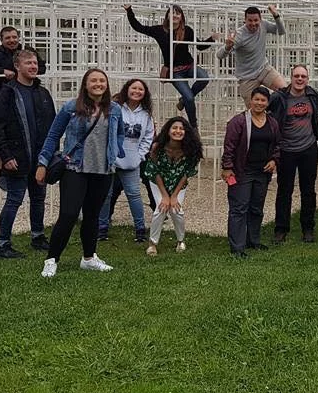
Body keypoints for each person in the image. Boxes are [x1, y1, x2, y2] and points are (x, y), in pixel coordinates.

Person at [36, 68, 124, 278]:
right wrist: (42, 162)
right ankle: (51, 259)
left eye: (102, 81)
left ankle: (89, 258)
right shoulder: (71, 107)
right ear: (85, 84)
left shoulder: (114, 109)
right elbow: (53, 135)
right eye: (93, 80)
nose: (98, 84)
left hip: (103, 170)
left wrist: (116, 150)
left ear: (106, 85)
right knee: (68, 215)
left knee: (92, 216)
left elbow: (120, 133)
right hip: (75, 168)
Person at [0, 48, 56, 258]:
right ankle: (3, 244)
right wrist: (5, 155)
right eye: (28, 63)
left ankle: (38, 236)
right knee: (15, 199)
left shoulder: (43, 93)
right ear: (17, 66)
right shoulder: (7, 93)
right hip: (17, 157)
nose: (33, 66)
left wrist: (50, 155)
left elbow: (52, 126)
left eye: (35, 63)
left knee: (38, 198)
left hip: (39, 158)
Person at [124, 4, 216, 129]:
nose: (175, 15)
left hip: (189, 66)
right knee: (189, 98)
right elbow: (139, 27)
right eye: (172, 12)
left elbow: (199, 46)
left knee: (204, 78)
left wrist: (211, 39)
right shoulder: (160, 30)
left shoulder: (187, 30)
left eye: (178, 13)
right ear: (167, 15)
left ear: (181, 17)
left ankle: (182, 101)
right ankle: (194, 126)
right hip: (175, 71)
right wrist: (129, 11)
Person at [222, 88, 281, 258]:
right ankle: (237, 247)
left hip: (262, 172)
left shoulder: (272, 123)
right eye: (257, 99)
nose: (259, 103)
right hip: (242, 172)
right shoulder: (238, 121)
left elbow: (278, 144)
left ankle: (253, 240)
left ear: (267, 103)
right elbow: (229, 147)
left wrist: (274, 160)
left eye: (263, 100)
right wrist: (227, 167)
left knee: (256, 208)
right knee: (239, 208)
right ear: (250, 101)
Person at [268, 65, 318, 243]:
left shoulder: (313, 96)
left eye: (303, 76)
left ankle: (308, 228)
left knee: (308, 190)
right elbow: (265, 113)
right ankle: (281, 229)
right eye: (297, 76)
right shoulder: (279, 97)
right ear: (291, 78)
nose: (300, 79)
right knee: (284, 190)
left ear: (307, 79)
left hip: (308, 148)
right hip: (286, 150)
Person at [97, 79, 155, 243]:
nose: (137, 91)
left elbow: (148, 136)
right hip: (111, 159)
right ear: (127, 90)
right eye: (134, 88)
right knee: (106, 195)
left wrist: (140, 155)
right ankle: (101, 228)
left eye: (140, 89)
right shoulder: (115, 108)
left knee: (134, 194)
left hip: (132, 160)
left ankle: (140, 230)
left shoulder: (146, 115)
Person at [143, 117, 203, 256]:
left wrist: (174, 196)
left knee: (176, 210)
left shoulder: (191, 149)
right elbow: (155, 171)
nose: (178, 131)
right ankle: (152, 244)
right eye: (174, 128)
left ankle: (180, 241)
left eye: (181, 128)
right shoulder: (157, 147)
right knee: (161, 208)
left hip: (178, 183)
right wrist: (165, 196)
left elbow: (187, 173)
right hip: (158, 182)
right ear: (168, 130)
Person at [217, 4, 287, 107]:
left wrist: (276, 15)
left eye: (256, 20)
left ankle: (276, 114)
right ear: (245, 20)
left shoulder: (264, 25)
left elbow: (281, 31)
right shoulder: (240, 35)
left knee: (286, 92)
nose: (253, 23)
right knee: (254, 110)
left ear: (260, 19)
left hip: (264, 69)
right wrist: (227, 47)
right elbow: (219, 55)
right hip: (247, 78)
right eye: (250, 20)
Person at [0, 25, 46, 101]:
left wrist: (22, 72)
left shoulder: (28, 51)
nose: (12, 40)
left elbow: (42, 68)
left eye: (14, 37)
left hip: (28, 94)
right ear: (1, 40)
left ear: (19, 38)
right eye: (7, 38)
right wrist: (2, 71)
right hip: (3, 97)